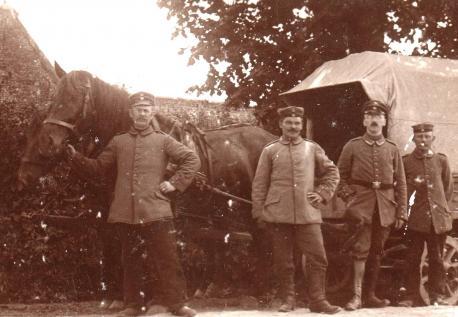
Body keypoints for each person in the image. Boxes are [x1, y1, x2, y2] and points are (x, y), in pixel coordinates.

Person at [67, 92, 200, 317]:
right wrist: (76, 158)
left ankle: (178, 304)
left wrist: (174, 184)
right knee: (130, 261)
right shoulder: (119, 141)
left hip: (156, 210)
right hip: (126, 213)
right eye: (138, 109)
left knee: (167, 259)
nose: (142, 113)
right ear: (130, 113)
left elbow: (191, 159)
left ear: (153, 112)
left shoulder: (163, 140)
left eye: (146, 109)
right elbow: (99, 167)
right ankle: (133, 305)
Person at [251, 106, 341, 314]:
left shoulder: (312, 148)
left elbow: (332, 172)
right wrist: (259, 212)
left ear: (301, 125)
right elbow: (259, 184)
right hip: (278, 214)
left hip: (307, 212)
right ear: (281, 124)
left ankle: (318, 300)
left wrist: (323, 193)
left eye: (297, 123)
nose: (293, 126)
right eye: (289, 123)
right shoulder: (270, 150)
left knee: (318, 258)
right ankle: (287, 300)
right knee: (283, 261)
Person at [336, 100, 407, 310]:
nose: (374, 120)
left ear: (384, 121)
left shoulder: (392, 149)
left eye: (379, 117)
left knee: (377, 252)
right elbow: (339, 176)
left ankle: (370, 296)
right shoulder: (352, 146)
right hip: (361, 207)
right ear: (364, 121)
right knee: (360, 250)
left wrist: (401, 211)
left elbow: (401, 182)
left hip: (385, 207)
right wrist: (350, 199)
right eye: (370, 116)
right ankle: (356, 297)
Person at [398, 123, 454, 307]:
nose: (423, 141)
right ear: (414, 139)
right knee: (412, 258)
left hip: (437, 219)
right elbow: (402, 189)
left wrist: (439, 210)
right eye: (420, 137)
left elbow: (446, 190)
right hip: (415, 219)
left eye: (427, 137)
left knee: (437, 258)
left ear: (433, 139)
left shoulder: (441, 161)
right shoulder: (406, 162)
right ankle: (411, 296)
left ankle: (437, 295)